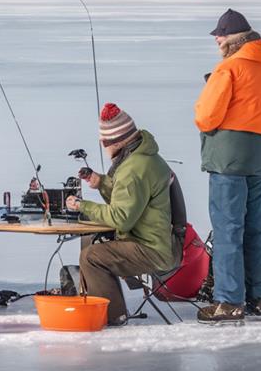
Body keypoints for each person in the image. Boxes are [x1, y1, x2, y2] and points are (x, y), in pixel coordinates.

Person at [194, 9, 261, 324]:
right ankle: (260, 297)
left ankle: (230, 301)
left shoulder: (228, 69)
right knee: (257, 227)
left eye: (219, 34)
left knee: (228, 228)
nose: (217, 39)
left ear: (232, 38)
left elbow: (205, 117)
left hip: (229, 156)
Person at [66, 103, 179, 326]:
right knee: (90, 242)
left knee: (91, 257)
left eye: (105, 143)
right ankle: (102, 307)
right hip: (161, 242)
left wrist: (82, 206)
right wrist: (101, 183)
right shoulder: (144, 157)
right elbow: (133, 200)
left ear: (116, 142)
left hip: (151, 249)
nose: (104, 147)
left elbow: (121, 218)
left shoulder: (132, 169)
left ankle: (113, 318)